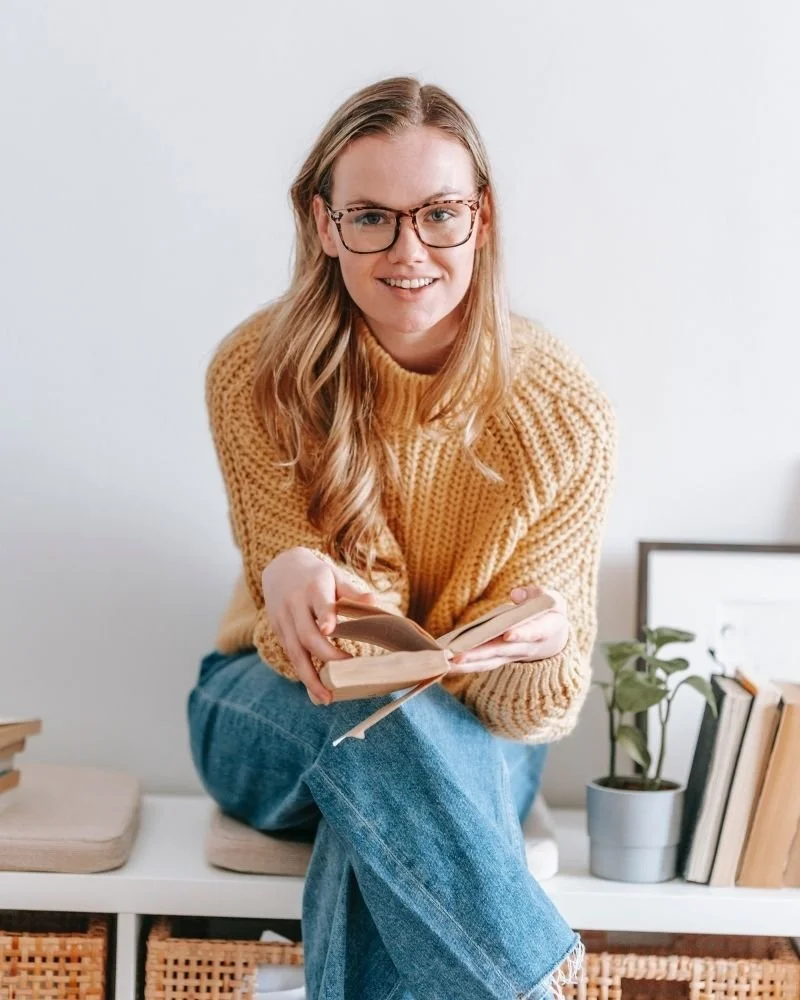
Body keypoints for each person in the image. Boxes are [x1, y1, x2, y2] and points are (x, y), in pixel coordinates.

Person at [187, 75, 616, 1000]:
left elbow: (536, 708)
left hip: (475, 735)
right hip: (270, 710)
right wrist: (291, 573)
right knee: (368, 713)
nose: (409, 250)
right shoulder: (255, 376)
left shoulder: (562, 412)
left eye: (439, 214)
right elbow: (300, 652)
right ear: (324, 224)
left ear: (483, 218)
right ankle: (526, 983)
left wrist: (537, 643)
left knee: (385, 797)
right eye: (373, 217)